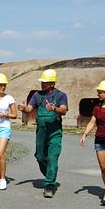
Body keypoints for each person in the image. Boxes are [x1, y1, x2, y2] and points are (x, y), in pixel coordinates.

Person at [18, 69, 68, 198]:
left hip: (54, 132)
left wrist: (53, 109)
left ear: (52, 83)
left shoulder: (61, 95)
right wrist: (24, 109)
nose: (42, 84)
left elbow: (64, 110)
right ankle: (50, 175)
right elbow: (30, 108)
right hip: (41, 132)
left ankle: (49, 185)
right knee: (40, 156)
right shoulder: (37, 95)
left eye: (45, 82)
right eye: (42, 82)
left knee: (52, 157)